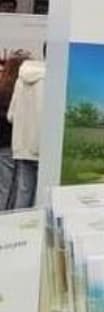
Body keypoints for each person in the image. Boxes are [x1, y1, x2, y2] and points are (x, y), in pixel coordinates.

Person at [6, 55, 43, 209]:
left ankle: (18, 223)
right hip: (42, 147)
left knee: (23, 193)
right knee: (41, 197)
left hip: (21, 146)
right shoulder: (52, 78)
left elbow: (10, 116)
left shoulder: (20, 79)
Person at [0, 54, 26, 210]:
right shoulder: (20, 94)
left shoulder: (1, 92)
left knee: (3, 187)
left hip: (2, 146)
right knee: (13, 188)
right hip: (13, 145)